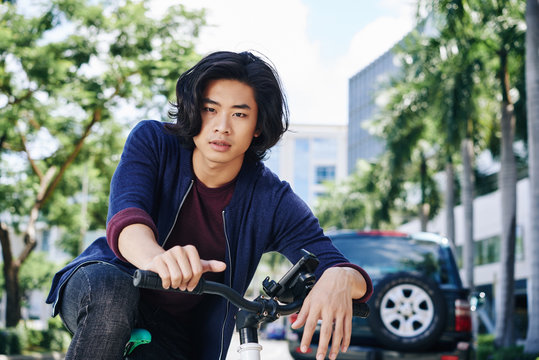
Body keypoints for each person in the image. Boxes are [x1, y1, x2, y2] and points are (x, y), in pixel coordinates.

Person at [46, 50, 372, 360]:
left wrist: (341, 276)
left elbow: (336, 264)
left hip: (173, 328)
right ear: (193, 110)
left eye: (240, 114)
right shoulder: (153, 141)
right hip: (105, 280)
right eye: (210, 109)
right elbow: (127, 220)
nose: (222, 126)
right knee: (114, 297)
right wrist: (159, 259)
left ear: (258, 125)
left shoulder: (271, 198)